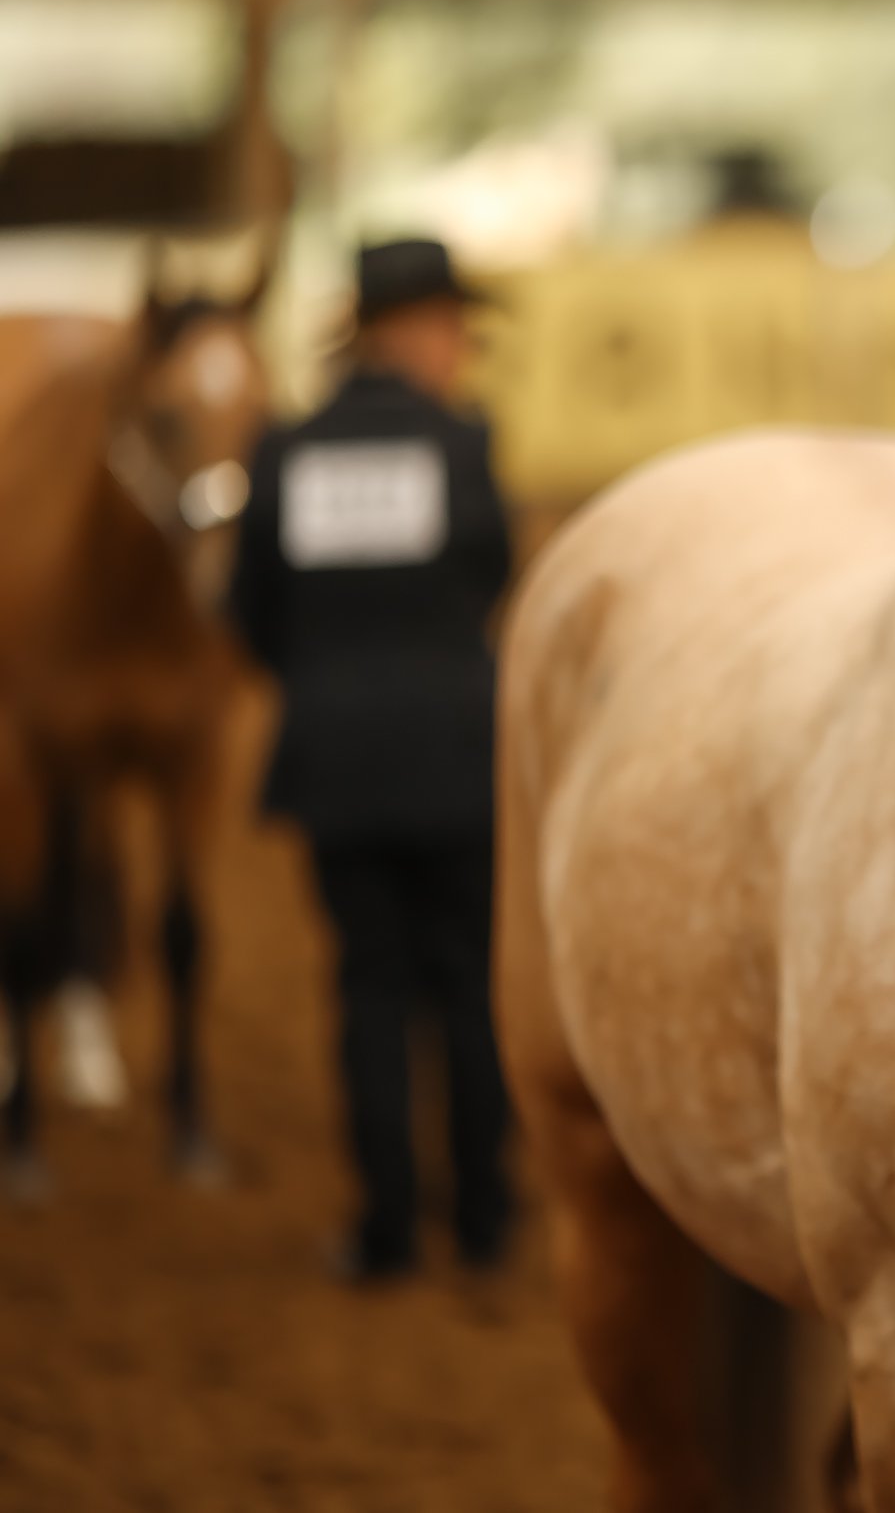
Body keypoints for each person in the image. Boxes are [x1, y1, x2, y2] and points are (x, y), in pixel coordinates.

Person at [229, 238, 513, 1281]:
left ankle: (387, 1226)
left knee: (369, 987)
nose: (462, 349)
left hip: (336, 759)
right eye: (456, 329)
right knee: (468, 982)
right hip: (453, 756)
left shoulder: (287, 449)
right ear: (412, 328)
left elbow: (250, 610)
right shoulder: (462, 442)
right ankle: (483, 1214)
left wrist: (327, 683)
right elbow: (490, 577)